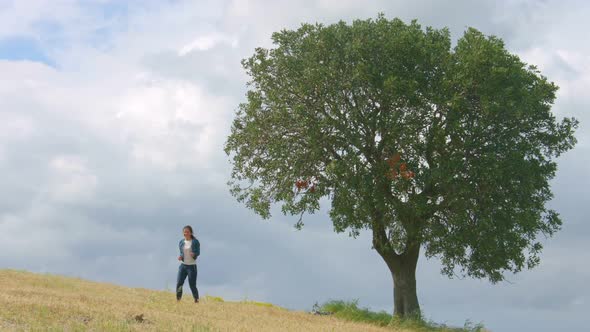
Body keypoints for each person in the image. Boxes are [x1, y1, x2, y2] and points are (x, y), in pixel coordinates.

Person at [176, 225, 200, 303]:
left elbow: (198, 252)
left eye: (187, 232)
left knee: (192, 285)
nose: (185, 233)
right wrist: (180, 257)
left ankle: (196, 300)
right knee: (179, 283)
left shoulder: (195, 242)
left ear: (190, 233)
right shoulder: (181, 242)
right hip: (183, 266)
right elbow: (181, 252)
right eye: (184, 232)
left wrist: (194, 254)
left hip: (191, 267)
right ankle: (178, 299)